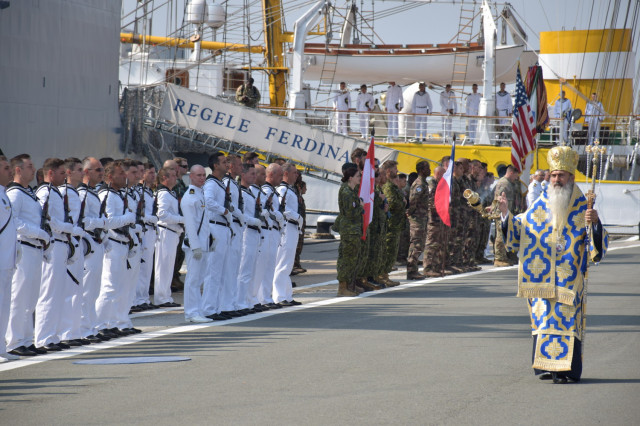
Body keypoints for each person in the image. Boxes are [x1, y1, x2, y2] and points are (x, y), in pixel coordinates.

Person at [498, 145, 608, 383]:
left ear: (571, 177)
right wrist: (505, 214)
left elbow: (596, 246)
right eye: (554, 175)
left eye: (562, 175)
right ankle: (545, 367)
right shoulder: (540, 203)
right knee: (543, 319)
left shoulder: (583, 207)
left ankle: (566, 370)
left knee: (567, 322)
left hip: (569, 279)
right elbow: (521, 228)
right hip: (541, 279)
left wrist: (595, 223)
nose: (557, 180)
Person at [35, 158, 84, 351]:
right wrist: (69, 228)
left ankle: (53, 335)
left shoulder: (55, 191)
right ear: (51, 173)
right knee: (48, 293)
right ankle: (43, 337)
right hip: (53, 244)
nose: (65, 177)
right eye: (62, 173)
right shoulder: (45, 191)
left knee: (57, 293)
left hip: (62, 244)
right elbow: (46, 219)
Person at [5, 155, 49, 357]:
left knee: (30, 298)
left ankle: (25, 339)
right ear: (18, 170)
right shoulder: (15, 193)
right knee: (20, 297)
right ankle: (14, 341)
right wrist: (37, 232)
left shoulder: (28, 193)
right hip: (25, 247)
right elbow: (13, 221)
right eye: (29, 166)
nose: (33, 169)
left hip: (35, 248)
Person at [95, 160, 137, 339]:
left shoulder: (117, 194)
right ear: (110, 176)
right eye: (121, 174)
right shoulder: (106, 195)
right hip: (112, 244)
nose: (124, 176)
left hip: (122, 243)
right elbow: (109, 221)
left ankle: (111, 322)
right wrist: (128, 218)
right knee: (109, 286)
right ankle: (99, 324)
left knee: (119, 287)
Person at [77, 157, 109, 343]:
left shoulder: (93, 193)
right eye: (98, 170)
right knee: (86, 290)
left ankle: (90, 326)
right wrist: (102, 222)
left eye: (102, 169)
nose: (102, 173)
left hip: (97, 242)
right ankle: (83, 328)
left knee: (94, 290)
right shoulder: (82, 194)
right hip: (88, 244)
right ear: (86, 172)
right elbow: (82, 221)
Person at [202, 152, 233, 321]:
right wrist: (224, 211)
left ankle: (217, 306)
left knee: (221, 272)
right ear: (215, 165)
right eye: (223, 162)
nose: (227, 164)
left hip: (223, 227)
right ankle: (208, 308)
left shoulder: (220, 183)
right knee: (213, 271)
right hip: (215, 226)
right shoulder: (211, 184)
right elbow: (208, 201)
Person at [180, 165, 213, 323]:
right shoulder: (190, 197)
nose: (202, 178)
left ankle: (197, 311)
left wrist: (210, 240)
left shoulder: (200, 194)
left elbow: (205, 222)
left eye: (204, 175)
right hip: (195, 246)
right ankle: (191, 313)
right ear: (191, 176)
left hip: (203, 243)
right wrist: (195, 246)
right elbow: (191, 225)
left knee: (199, 279)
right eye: (199, 175)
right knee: (193, 280)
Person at [273, 163, 303, 306]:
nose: (296, 175)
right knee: (282, 263)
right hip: (286, 227)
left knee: (288, 264)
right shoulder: (282, 189)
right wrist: (296, 216)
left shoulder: (290, 189)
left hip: (293, 228)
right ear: (286, 173)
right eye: (294, 173)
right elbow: (280, 209)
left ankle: (287, 295)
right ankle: (279, 296)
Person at [236, 164, 265, 313]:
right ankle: (240, 302)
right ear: (243, 174)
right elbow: (241, 214)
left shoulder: (250, 192)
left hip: (255, 233)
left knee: (251, 270)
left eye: (255, 174)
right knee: (244, 270)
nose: (255, 176)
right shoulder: (241, 192)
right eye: (252, 174)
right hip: (247, 232)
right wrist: (254, 220)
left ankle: (248, 301)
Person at [154, 166, 183, 308]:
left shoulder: (169, 193)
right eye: (172, 175)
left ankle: (166, 296)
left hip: (172, 232)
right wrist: (182, 219)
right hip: (165, 231)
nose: (175, 177)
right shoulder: (163, 194)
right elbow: (162, 214)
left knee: (168, 266)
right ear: (164, 178)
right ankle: (161, 297)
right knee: (163, 266)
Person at [336, 163, 364, 296]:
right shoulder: (347, 192)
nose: (360, 178)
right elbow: (350, 213)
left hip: (354, 229)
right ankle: (343, 287)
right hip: (349, 230)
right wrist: (361, 207)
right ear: (350, 178)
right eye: (358, 176)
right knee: (347, 259)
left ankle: (349, 285)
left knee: (353, 258)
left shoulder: (351, 191)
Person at [0, 156, 18, 362]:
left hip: (7, 260)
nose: (10, 171)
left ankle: (1, 348)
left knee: (4, 306)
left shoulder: (4, 194)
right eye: (5, 168)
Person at [492, 165, 522, 267]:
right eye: (516, 175)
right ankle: (499, 258)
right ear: (511, 173)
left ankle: (506, 256)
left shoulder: (510, 183)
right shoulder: (504, 183)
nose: (516, 178)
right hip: (501, 213)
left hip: (507, 212)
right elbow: (499, 198)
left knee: (506, 235)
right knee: (501, 236)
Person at [380, 160, 404, 287]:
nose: (397, 171)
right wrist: (403, 202)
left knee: (392, 251)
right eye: (395, 169)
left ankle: (385, 275)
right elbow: (391, 203)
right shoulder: (388, 186)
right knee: (388, 251)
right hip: (390, 224)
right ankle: (383, 275)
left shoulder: (393, 186)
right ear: (388, 171)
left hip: (395, 224)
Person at [406, 161, 431, 280]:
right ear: (421, 170)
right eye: (427, 168)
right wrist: (411, 212)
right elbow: (413, 200)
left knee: (420, 244)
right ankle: (411, 270)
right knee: (416, 244)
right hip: (417, 218)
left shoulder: (424, 183)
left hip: (422, 217)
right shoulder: (419, 184)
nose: (429, 170)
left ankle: (414, 268)